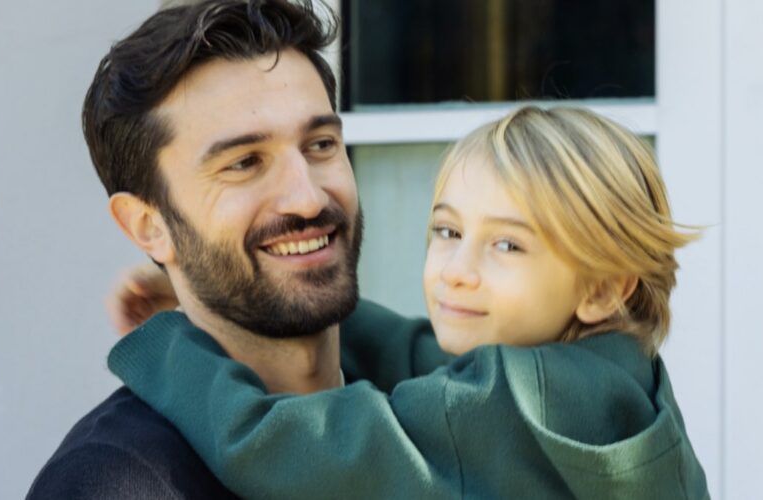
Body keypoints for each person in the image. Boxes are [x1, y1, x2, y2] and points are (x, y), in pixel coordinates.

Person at [108, 106, 710, 499]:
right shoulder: (618, 375)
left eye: (507, 244)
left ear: (604, 286)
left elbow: (284, 450)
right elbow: (418, 354)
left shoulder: (520, 399)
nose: (457, 273)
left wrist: (170, 345)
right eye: (448, 232)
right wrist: (261, 297)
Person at [29, 1, 451, 497]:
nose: (308, 197)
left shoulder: (440, 409)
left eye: (320, 145)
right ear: (149, 226)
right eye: (245, 162)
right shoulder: (118, 482)